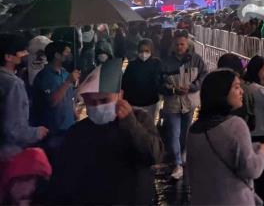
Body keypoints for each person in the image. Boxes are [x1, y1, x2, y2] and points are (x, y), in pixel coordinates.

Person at [48, 59, 164, 205]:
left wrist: (130, 123)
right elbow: (64, 177)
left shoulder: (140, 119)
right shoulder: (77, 132)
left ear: (120, 95)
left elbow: (153, 155)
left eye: (104, 100)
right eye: (91, 102)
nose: (97, 106)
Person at [186, 69, 264, 206]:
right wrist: (261, 152)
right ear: (221, 93)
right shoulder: (235, 126)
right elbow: (252, 169)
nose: (241, 91)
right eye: (236, 87)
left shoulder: (194, 130)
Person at [160, 31, 209, 180]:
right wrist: (173, 90)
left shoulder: (196, 60)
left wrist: (193, 86)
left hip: (189, 103)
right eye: (177, 44)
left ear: (187, 45)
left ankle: (183, 156)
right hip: (172, 104)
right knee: (174, 133)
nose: (179, 47)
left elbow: (204, 75)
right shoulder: (166, 62)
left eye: (182, 44)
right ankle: (177, 163)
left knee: (185, 133)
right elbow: (159, 82)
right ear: (173, 46)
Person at [0, 33, 48, 162]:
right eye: (21, 51)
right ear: (8, 57)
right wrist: (37, 132)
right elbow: (14, 130)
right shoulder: (14, 84)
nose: (26, 54)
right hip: (9, 153)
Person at [242, 56, 264, 206]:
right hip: (262, 133)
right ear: (256, 70)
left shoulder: (246, 86)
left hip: (252, 132)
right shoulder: (257, 90)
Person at [31, 42, 80, 143]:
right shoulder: (44, 76)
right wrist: (67, 82)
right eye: (67, 52)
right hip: (53, 132)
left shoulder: (65, 73)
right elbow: (52, 101)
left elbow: (70, 97)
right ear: (57, 55)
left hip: (69, 127)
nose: (70, 55)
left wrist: (74, 113)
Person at [121, 38, 163, 122]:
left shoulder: (156, 63)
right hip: (134, 103)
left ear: (151, 50)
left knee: (150, 127)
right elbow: (125, 83)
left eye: (147, 51)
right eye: (141, 51)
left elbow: (161, 80)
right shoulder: (132, 64)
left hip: (151, 103)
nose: (143, 53)